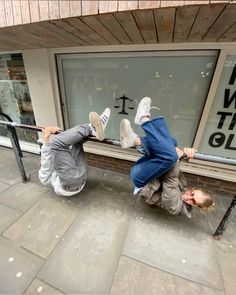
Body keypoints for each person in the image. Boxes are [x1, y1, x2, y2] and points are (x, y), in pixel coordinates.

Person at [120, 97, 214, 218]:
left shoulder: (175, 207)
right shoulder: (183, 185)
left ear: (197, 206)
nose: (189, 196)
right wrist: (184, 152)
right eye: (192, 193)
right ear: (193, 189)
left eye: (193, 201)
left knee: (170, 155)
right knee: (172, 144)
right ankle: (134, 140)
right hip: (150, 167)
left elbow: (170, 178)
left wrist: (177, 157)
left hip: (141, 180)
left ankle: (143, 121)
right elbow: (171, 167)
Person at [38, 108, 111, 196]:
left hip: (80, 177)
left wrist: (61, 134)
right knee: (56, 144)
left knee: (77, 142)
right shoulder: (44, 175)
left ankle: (93, 131)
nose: (42, 161)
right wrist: (46, 139)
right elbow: (46, 162)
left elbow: (65, 145)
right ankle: (90, 127)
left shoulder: (58, 165)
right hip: (69, 183)